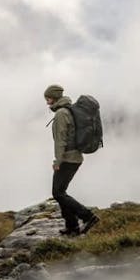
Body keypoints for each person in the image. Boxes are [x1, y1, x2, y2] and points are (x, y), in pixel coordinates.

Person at [44, 84, 99, 236]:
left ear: (52, 98)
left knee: (58, 193)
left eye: (47, 98)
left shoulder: (61, 113)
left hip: (68, 158)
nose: (47, 102)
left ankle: (88, 216)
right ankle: (72, 226)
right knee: (61, 192)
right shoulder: (68, 110)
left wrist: (57, 161)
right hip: (74, 157)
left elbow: (60, 141)